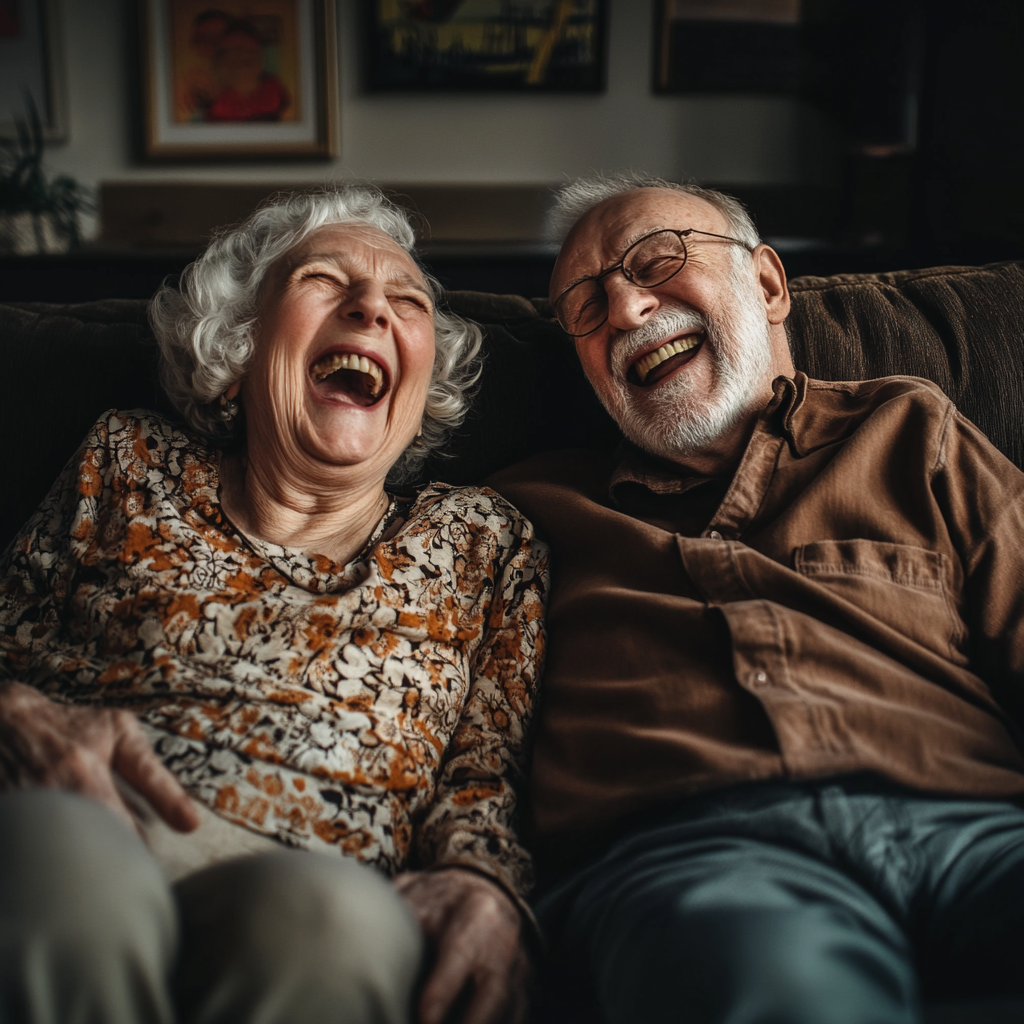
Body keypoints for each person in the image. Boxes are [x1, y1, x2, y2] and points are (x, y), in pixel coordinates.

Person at [0, 184, 547, 1024]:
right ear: (239, 347)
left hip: (327, 877)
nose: (372, 309)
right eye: (325, 281)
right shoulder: (127, 458)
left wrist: (485, 880)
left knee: (331, 926)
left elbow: (484, 772)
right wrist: (20, 714)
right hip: (95, 816)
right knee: (58, 862)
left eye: (407, 301)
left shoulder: (484, 540)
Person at [488, 172, 1024, 1024]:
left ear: (768, 284)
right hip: (702, 860)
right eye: (585, 306)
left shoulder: (909, 430)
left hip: (976, 830)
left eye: (655, 260)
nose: (625, 309)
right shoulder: (522, 515)